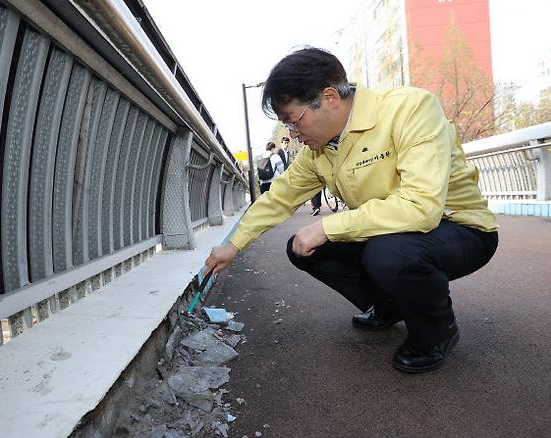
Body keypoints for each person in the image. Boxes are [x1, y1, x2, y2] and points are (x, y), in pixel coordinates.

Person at [205, 47, 498, 374]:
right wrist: (233, 245)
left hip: (460, 230)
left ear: (329, 97)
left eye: (294, 120)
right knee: (303, 249)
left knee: (388, 253)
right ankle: (392, 306)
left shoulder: (410, 108)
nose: (293, 134)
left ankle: (436, 332)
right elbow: (280, 197)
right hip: (393, 233)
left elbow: (422, 207)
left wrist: (329, 227)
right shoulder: (320, 151)